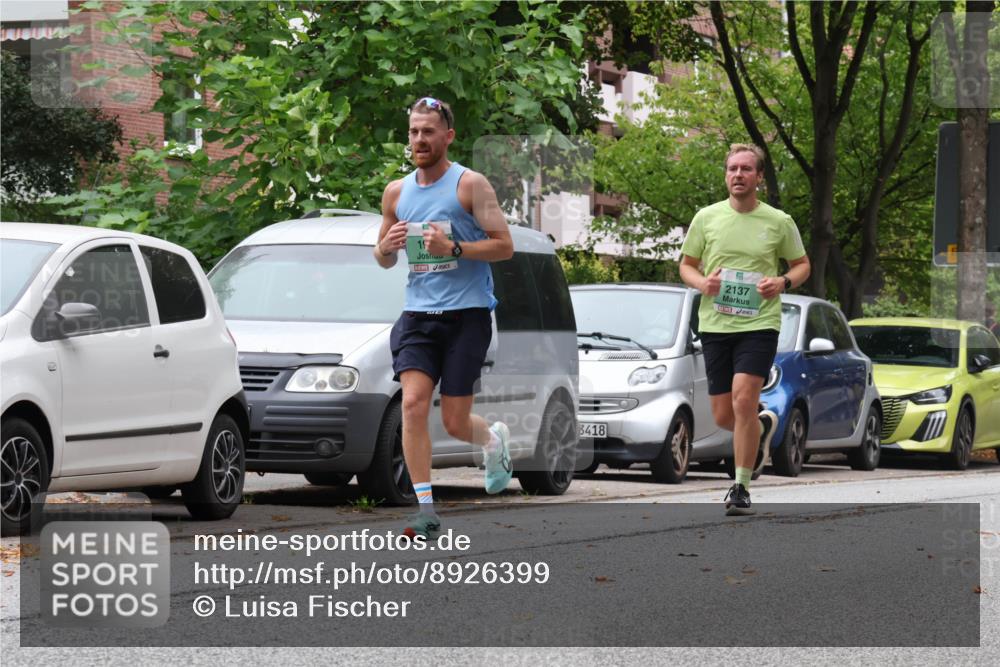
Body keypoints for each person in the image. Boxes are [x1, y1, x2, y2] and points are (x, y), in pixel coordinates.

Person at [375, 96, 514, 539]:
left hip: (466, 316)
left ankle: (491, 440)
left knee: (455, 421)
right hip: (418, 315)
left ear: (448, 136)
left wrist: (453, 248)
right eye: (414, 131)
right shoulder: (396, 193)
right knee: (413, 404)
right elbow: (382, 257)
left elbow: (504, 246)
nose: (419, 139)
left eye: (428, 132)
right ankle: (426, 510)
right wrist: (386, 247)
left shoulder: (470, 185)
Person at [679, 144, 811, 515]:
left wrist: (782, 281)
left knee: (742, 400)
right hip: (715, 324)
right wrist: (703, 283)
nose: (738, 175)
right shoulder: (707, 217)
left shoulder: (778, 221)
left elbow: (802, 264)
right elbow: (686, 265)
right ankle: (761, 426)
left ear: (759, 177)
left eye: (746, 169)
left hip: (759, 323)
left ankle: (740, 486)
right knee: (726, 415)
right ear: (726, 175)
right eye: (732, 169)